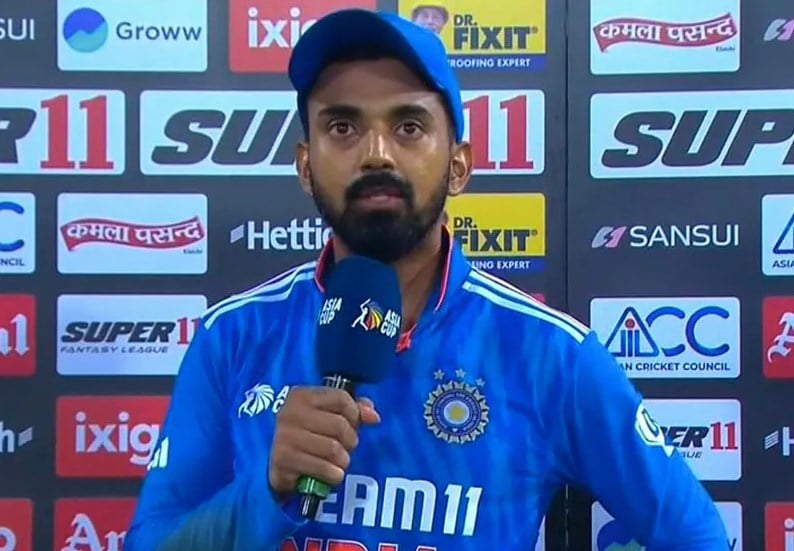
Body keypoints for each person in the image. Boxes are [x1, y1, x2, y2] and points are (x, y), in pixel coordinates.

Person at [124, 8, 728, 551]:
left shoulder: (550, 354)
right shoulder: (233, 337)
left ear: (458, 166)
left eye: (408, 126)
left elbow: (697, 537)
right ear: (306, 166)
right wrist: (265, 488)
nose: (377, 153)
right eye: (342, 127)